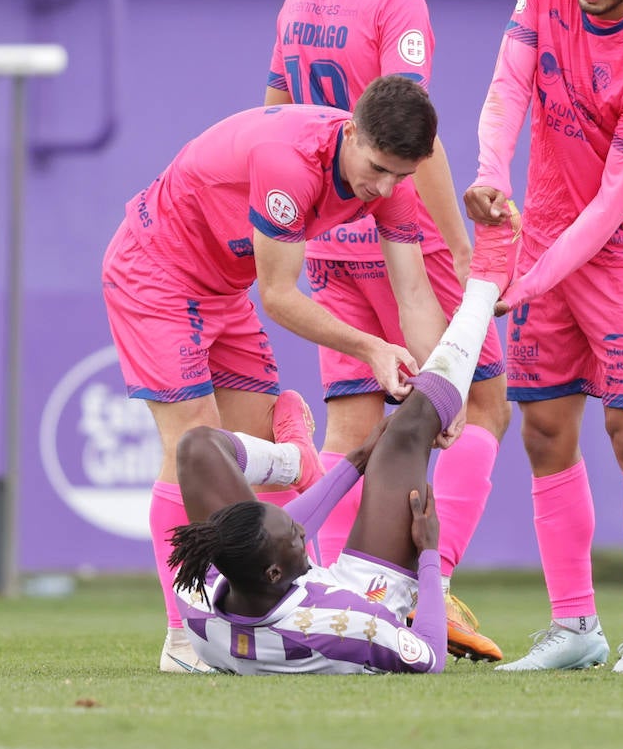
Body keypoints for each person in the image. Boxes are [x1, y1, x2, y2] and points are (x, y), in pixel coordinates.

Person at [102, 75, 452, 672]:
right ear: (352, 131)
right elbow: (280, 295)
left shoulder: (390, 179)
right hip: (157, 270)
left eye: (399, 175)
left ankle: (290, 468)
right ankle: (183, 639)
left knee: (249, 460)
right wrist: (373, 348)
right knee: (189, 443)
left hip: (222, 284)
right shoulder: (288, 164)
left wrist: (447, 392)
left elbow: (414, 293)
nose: (383, 187)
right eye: (376, 168)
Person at [263, 0, 508, 661]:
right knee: (481, 402)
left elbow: (276, 120)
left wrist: (298, 216)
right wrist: (462, 246)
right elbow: (413, 134)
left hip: (328, 229)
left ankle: (337, 594)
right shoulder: (398, 3)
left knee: (354, 424)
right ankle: (426, 585)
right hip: (399, 230)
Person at [463, 0, 623, 674]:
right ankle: (575, 627)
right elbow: (508, 87)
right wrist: (492, 175)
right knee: (546, 430)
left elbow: (610, 208)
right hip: (548, 238)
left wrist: (523, 281)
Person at [166, 211, 521, 674]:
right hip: (365, 589)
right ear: (275, 572)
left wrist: (353, 462)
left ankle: (292, 460)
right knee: (407, 429)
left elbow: (273, 543)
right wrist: (429, 555)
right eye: (296, 536)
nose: (302, 530)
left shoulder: (201, 593)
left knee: (196, 448)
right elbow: (429, 657)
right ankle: (484, 288)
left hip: (284, 595)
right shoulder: (346, 626)